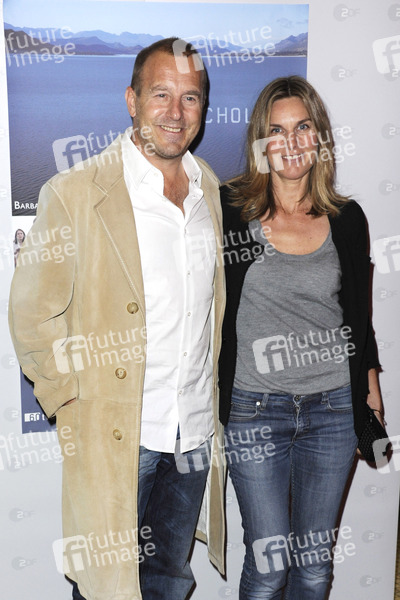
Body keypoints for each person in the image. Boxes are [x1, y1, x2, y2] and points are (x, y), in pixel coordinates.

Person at [9, 37, 226, 600]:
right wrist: (70, 404)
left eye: (190, 97)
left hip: (192, 431)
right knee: (105, 587)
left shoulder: (209, 188)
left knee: (168, 578)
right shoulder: (75, 193)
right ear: (132, 100)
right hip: (117, 436)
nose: (175, 112)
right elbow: (31, 312)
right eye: (160, 94)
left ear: (203, 107)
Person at [218, 76, 384, 599]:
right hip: (254, 409)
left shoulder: (346, 219)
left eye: (302, 127)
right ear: (260, 142)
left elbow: (358, 315)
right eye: (276, 130)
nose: (290, 142)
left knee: (314, 568)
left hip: (332, 410)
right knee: (269, 566)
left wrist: (371, 395)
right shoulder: (230, 211)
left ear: (320, 137)